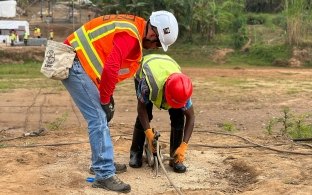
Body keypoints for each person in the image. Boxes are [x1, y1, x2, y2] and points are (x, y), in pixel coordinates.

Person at [61, 11, 178, 193]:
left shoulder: (135, 28)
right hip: (73, 62)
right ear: (153, 33)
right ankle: (104, 174)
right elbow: (111, 67)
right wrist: (106, 99)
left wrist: (106, 96)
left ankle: (101, 162)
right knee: (98, 118)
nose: (154, 47)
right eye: (157, 44)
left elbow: (105, 62)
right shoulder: (131, 35)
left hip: (80, 62)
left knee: (100, 116)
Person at [129, 54, 195, 173]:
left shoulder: (183, 89)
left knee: (178, 117)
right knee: (146, 114)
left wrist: (184, 146)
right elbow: (141, 109)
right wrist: (149, 134)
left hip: (168, 66)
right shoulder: (148, 85)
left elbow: (191, 117)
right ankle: (136, 153)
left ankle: (175, 156)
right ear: (166, 92)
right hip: (145, 70)